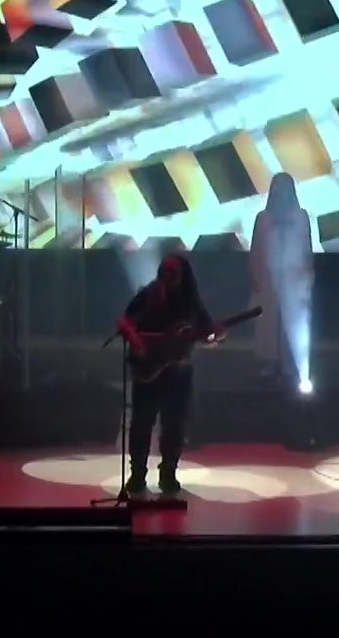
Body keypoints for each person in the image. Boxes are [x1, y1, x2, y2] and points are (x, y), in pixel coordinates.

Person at [116, 253, 225, 495]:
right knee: (142, 423)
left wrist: (216, 335)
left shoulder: (192, 302)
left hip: (179, 372)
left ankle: (168, 474)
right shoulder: (149, 294)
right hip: (148, 370)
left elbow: (206, 335)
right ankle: (137, 474)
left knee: (174, 425)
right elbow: (124, 321)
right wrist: (137, 341)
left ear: (182, 275)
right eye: (164, 271)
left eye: (172, 273)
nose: (167, 277)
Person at [249, 173, 314, 381]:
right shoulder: (263, 218)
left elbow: (307, 247)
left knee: (293, 321)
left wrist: (307, 276)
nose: (281, 192)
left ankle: (289, 363)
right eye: (277, 187)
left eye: (285, 187)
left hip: (294, 278)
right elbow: (256, 248)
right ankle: (269, 362)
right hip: (268, 276)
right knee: (268, 321)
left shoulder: (301, 216)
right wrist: (256, 275)